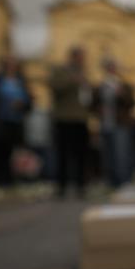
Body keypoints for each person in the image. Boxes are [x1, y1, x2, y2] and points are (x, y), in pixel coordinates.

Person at [0, 55, 33, 186]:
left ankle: (8, 180)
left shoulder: (21, 82)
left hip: (14, 122)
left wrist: (22, 105)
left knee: (11, 152)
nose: (11, 67)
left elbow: (30, 103)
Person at [49, 47, 91, 198]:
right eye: (80, 57)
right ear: (73, 57)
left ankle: (81, 187)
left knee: (81, 154)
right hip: (64, 118)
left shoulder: (84, 72)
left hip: (81, 119)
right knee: (63, 154)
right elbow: (54, 87)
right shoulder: (61, 70)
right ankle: (61, 187)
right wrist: (72, 80)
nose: (82, 60)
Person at [93, 60, 135, 187]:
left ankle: (123, 181)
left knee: (121, 154)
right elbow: (93, 104)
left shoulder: (123, 86)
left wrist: (121, 94)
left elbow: (132, 103)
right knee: (108, 154)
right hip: (106, 123)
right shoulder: (101, 86)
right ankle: (111, 181)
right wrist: (98, 109)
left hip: (120, 124)